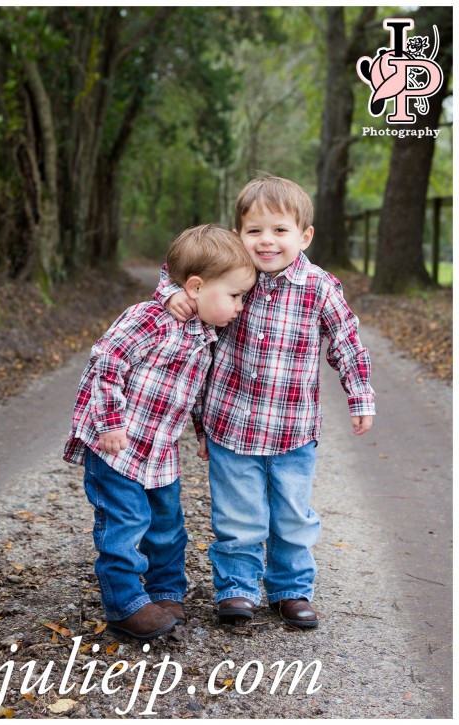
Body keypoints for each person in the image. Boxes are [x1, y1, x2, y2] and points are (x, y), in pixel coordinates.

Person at [160, 176, 375, 629]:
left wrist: (360, 397)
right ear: (239, 234)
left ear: (304, 235)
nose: (267, 241)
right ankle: (237, 590)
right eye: (255, 230)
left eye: (280, 230)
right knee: (238, 517)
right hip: (230, 424)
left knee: (293, 516)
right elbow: (177, 271)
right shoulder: (235, 276)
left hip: (294, 431)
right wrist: (172, 295)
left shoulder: (319, 287)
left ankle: (291, 590)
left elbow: (347, 343)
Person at [63, 225, 257, 641]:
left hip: (160, 453)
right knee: (125, 525)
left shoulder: (205, 333)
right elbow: (106, 363)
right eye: (236, 296)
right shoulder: (148, 319)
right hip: (117, 446)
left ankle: (166, 591)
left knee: (168, 526)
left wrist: (203, 430)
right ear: (196, 287)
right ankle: (125, 604)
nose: (241, 306)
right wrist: (110, 422)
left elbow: (198, 391)